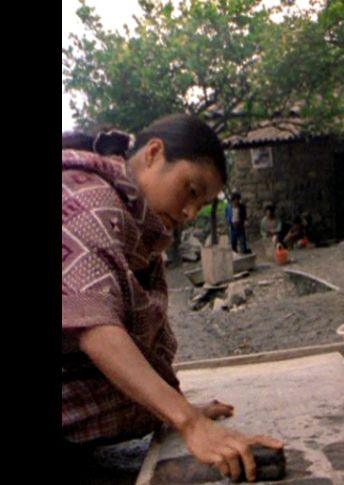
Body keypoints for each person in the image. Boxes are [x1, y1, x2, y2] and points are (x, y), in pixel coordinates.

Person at [62, 114, 283, 482]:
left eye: (202, 204)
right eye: (191, 190)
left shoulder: (140, 231)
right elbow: (96, 328)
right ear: (153, 153)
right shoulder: (83, 200)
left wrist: (172, 408)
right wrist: (189, 421)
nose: (190, 212)